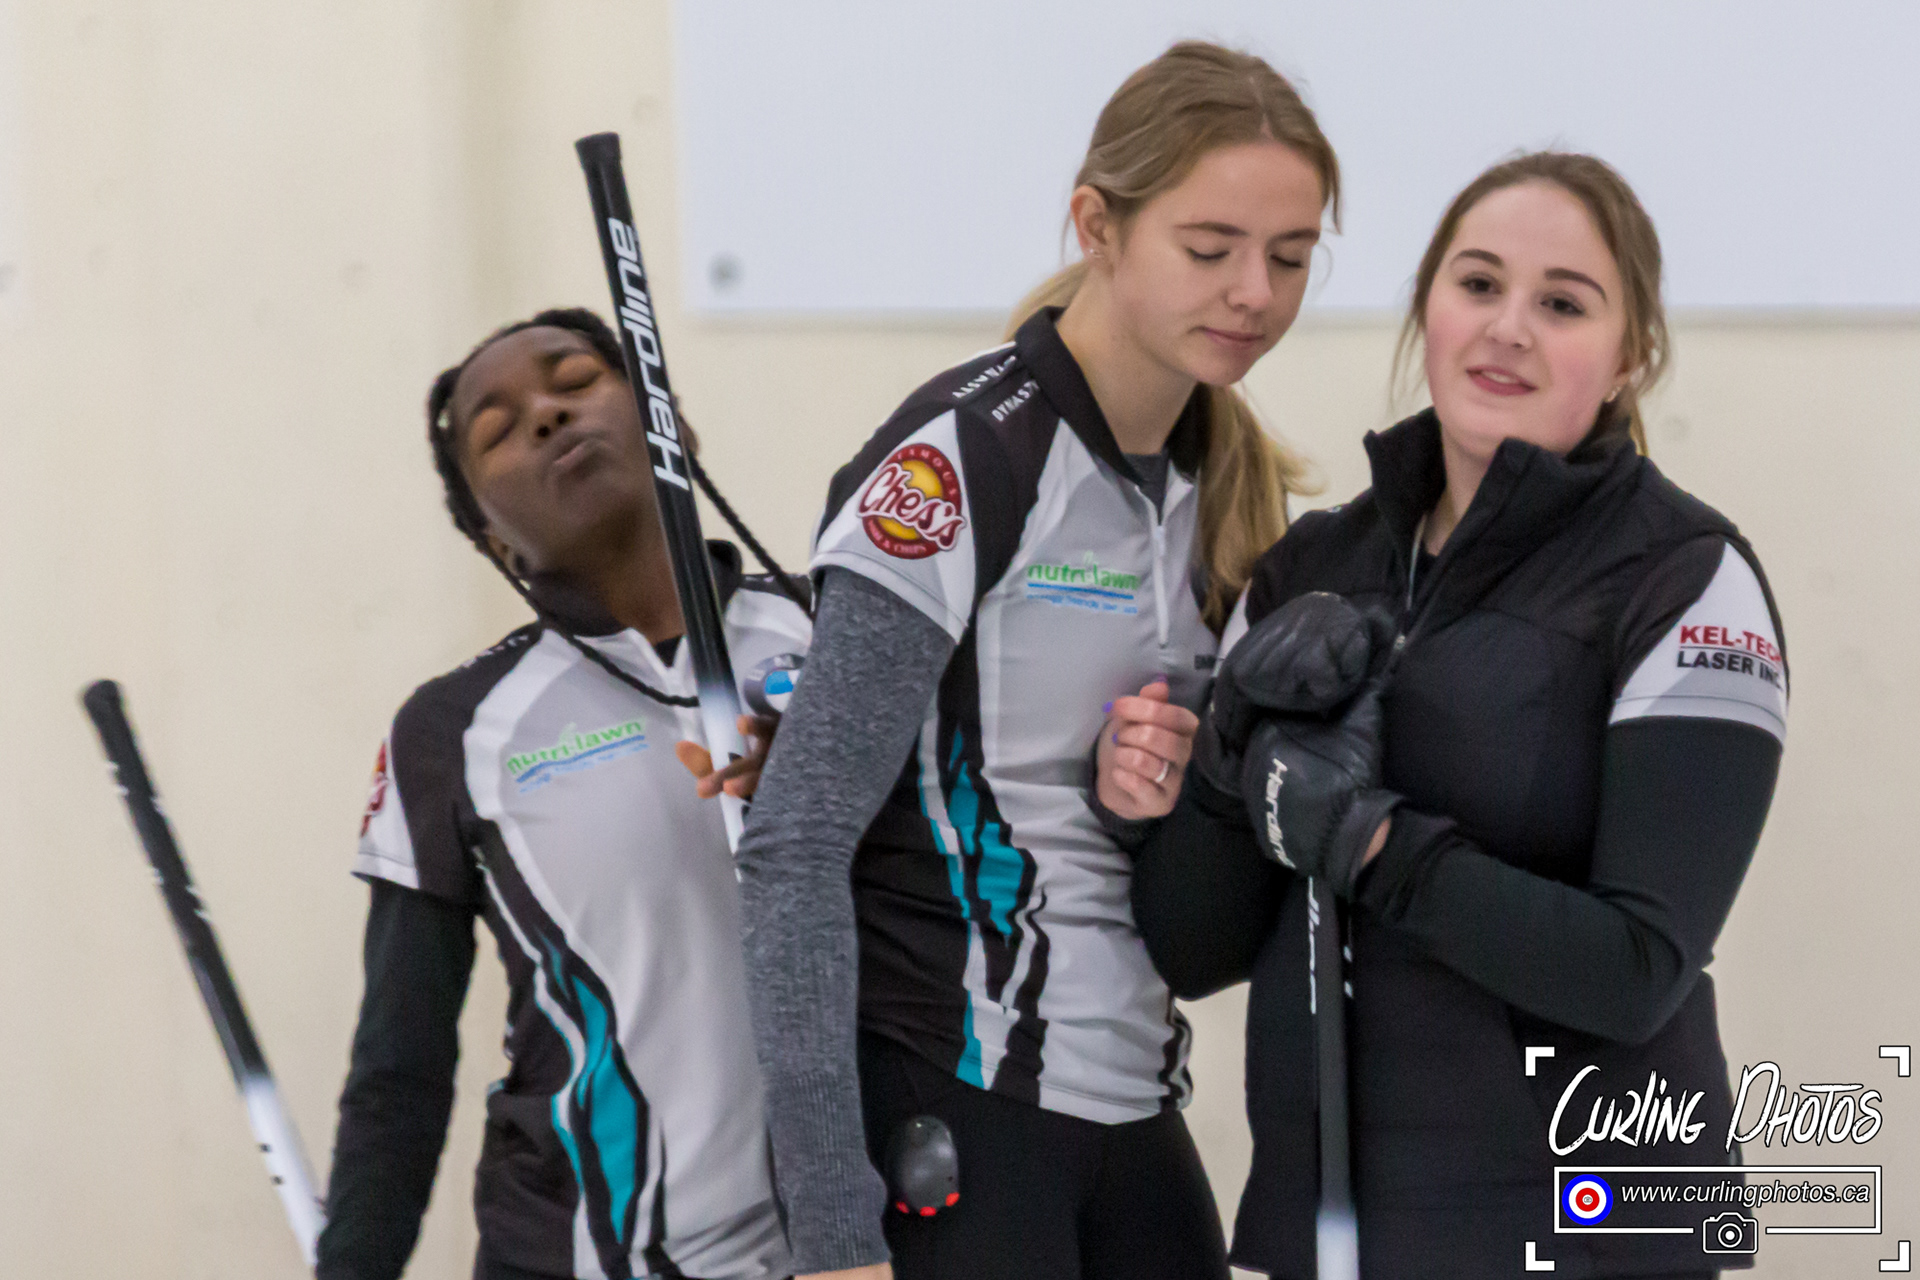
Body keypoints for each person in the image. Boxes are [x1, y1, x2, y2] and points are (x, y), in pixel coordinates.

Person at [732, 41, 1339, 1280]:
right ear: (1098, 225)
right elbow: (794, 843)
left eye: (1289, 256)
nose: (1254, 293)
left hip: (1135, 1104)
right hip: (955, 1095)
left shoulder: (1228, 481)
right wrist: (832, 1221)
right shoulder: (965, 458)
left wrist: (1156, 802)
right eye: (1210, 247)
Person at [1121, 153, 1788, 1279]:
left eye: (1563, 303)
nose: (1508, 328)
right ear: (1427, 307)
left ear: (1630, 355)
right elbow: (1191, 947)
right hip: (1334, 1231)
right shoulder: (1311, 569)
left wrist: (1372, 844)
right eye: (1478, 284)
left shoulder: (1688, 577)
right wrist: (1229, 760)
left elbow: (1637, 970)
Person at [315, 308, 810, 1280]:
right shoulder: (454, 731)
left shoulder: (837, 628)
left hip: (859, 1246)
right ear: (492, 541)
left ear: (673, 425)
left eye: (576, 379)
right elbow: (399, 1072)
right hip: (583, 1255)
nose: (546, 414)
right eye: (498, 430)